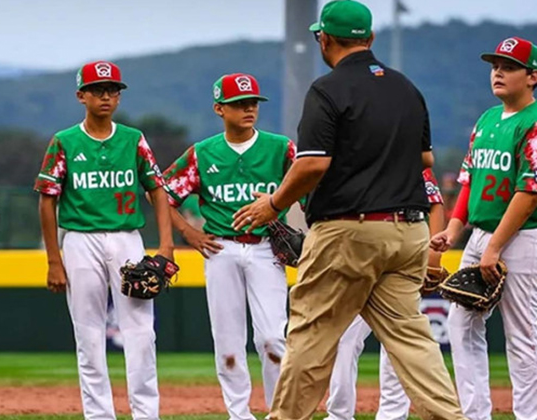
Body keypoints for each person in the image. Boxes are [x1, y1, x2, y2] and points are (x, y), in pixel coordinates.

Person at [231, 1, 466, 419]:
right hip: (408, 231)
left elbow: (313, 163)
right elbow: (425, 159)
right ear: (370, 38)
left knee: (310, 335)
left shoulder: (328, 89)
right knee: (412, 339)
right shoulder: (406, 88)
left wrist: (274, 203)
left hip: (350, 231)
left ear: (324, 39)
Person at [34, 60, 174, 420]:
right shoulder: (64, 141)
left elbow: (157, 190)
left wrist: (166, 246)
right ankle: (99, 416)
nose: (106, 96)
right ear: (81, 96)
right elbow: (47, 200)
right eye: (98, 90)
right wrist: (53, 259)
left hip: (128, 237)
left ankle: (146, 414)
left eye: (113, 90)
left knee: (141, 331)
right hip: (80, 239)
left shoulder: (133, 139)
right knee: (89, 333)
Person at [162, 73, 298, 420]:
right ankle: (239, 414)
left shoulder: (280, 148)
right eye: (239, 103)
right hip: (220, 249)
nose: (249, 108)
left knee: (272, 337)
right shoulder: (203, 153)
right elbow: (163, 194)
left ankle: (279, 411)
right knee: (227, 342)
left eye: (252, 102)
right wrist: (188, 233)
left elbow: (310, 185)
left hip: (267, 247)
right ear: (219, 108)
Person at [431, 36, 537, 420]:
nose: (498, 72)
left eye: (509, 66)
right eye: (495, 66)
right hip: (480, 236)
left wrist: (495, 247)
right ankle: (475, 414)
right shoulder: (486, 120)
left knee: (523, 338)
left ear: (532, 77)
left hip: (523, 239)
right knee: (460, 327)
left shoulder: (534, 122)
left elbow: (530, 191)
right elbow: (469, 181)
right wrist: (454, 230)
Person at [325, 168, 446, 420]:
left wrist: (433, 258)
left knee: (396, 342)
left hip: (400, 258)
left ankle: (392, 415)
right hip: (357, 260)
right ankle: (338, 415)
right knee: (343, 338)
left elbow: (434, 205)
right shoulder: (351, 157)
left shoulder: (409, 156)